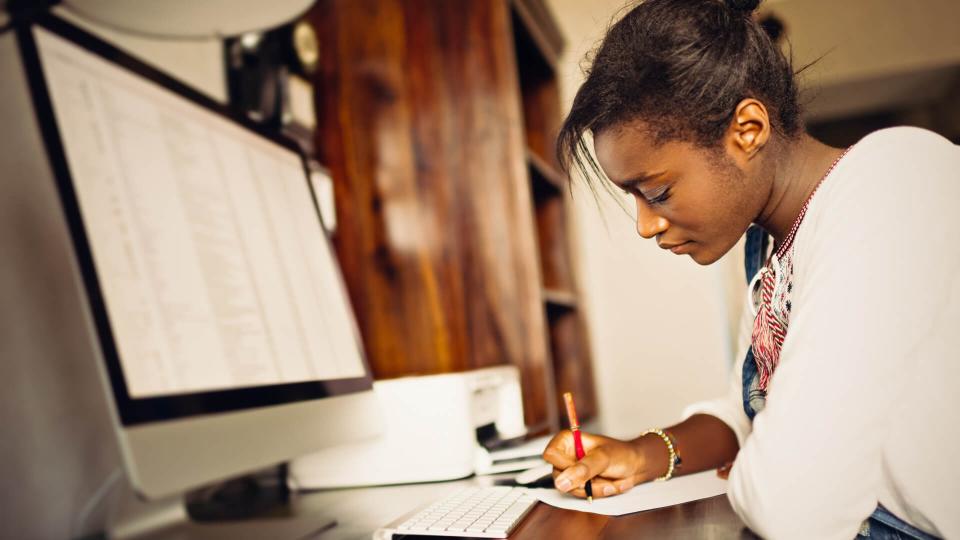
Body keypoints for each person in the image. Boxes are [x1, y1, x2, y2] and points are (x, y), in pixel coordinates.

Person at [541, 0, 960, 538]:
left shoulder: (893, 181)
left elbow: (792, 507)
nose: (645, 226)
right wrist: (640, 455)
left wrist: (770, 465)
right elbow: (751, 415)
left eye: (657, 191)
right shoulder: (768, 244)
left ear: (748, 129)